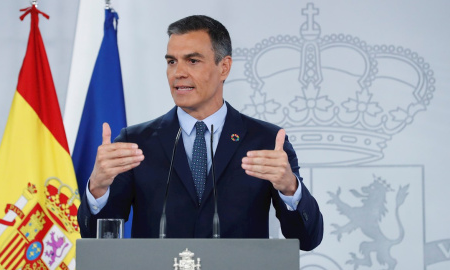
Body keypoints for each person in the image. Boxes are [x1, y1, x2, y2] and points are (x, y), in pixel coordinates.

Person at [77, 15, 323, 251]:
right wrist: (97, 189)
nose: (178, 72)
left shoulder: (266, 141)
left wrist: (290, 189)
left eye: (192, 61)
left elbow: (307, 238)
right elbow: (98, 240)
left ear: (224, 67)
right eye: (172, 61)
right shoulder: (135, 143)